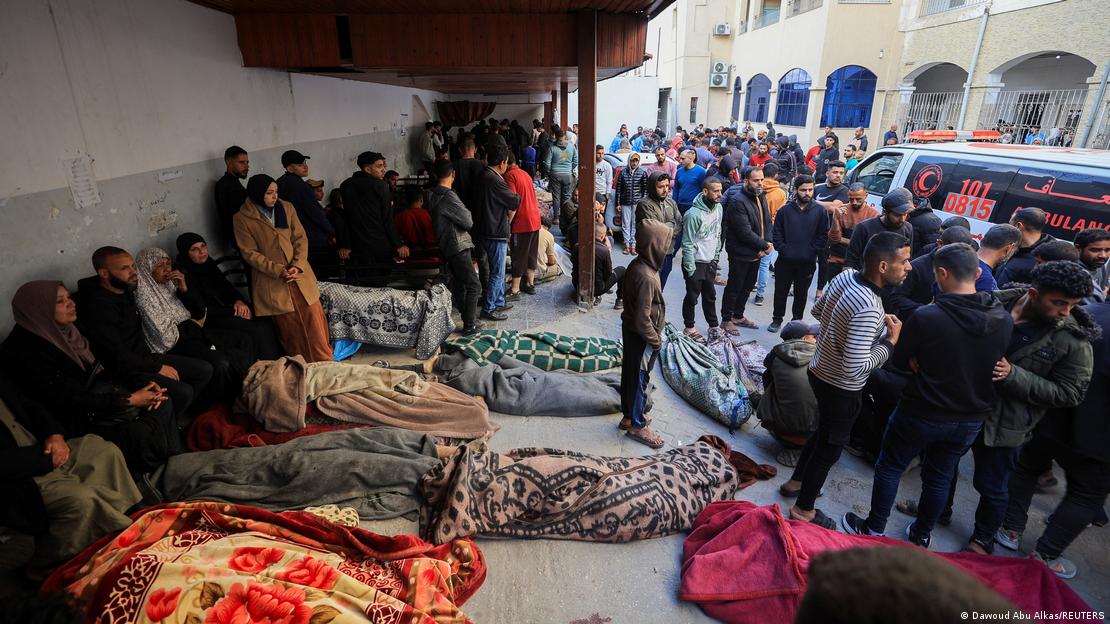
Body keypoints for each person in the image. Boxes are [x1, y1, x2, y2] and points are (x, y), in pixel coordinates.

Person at [842, 243, 1013, 547]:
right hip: (970, 418)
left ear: (942, 274)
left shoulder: (928, 317)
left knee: (891, 466)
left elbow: (900, 360)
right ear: (976, 273)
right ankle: (921, 534)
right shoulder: (1002, 318)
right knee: (940, 475)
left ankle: (874, 528)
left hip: (922, 410)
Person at [948, 261, 1096, 556]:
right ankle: (937, 509)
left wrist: (1014, 375)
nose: (1066, 312)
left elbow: (1070, 393)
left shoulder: (1073, 341)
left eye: (1073, 305)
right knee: (943, 467)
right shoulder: (996, 300)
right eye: (1059, 303)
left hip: (1007, 425)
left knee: (992, 487)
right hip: (961, 407)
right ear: (1033, 293)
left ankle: (983, 538)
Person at [781, 232, 910, 530]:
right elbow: (856, 368)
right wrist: (889, 342)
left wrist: (854, 330)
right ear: (881, 266)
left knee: (822, 432)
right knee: (829, 449)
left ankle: (796, 482)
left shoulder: (846, 277)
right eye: (903, 261)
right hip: (841, 386)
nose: (909, 267)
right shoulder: (868, 307)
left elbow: (818, 312)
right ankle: (804, 509)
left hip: (819, 370)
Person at [2, 281, 184, 475]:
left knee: (163, 401)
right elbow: (67, 400)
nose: (71, 303)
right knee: (139, 432)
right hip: (78, 418)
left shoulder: (72, 329)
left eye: (69, 298)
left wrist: (142, 386)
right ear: (39, 309)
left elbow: (110, 364)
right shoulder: (25, 351)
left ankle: (173, 461)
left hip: (107, 395)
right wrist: (130, 400)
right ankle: (158, 469)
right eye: (60, 301)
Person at [997, 299, 1109, 579]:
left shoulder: (1085, 314)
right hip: (1098, 435)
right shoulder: (1079, 314)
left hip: (1051, 415)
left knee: (1026, 468)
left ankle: (1010, 529)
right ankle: (1045, 553)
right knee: (1086, 495)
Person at [0, 371, 143, 569]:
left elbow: (30, 405)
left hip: (43, 447)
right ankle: (48, 566)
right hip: (19, 475)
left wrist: (54, 434)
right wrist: (46, 460)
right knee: (82, 499)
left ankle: (119, 524)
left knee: (104, 451)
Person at [73, 247, 212, 417]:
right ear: (104, 273)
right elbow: (117, 353)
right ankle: (167, 424)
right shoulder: (97, 306)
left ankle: (181, 417)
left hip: (144, 357)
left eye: (132, 266)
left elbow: (197, 311)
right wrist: (157, 367)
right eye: (125, 268)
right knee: (184, 391)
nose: (133, 272)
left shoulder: (126, 289)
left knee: (204, 369)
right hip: (123, 369)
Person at [133, 247, 253, 405]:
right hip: (175, 345)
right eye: (159, 265)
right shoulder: (142, 296)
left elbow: (199, 312)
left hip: (193, 332)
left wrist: (184, 288)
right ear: (147, 268)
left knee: (243, 339)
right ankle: (221, 402)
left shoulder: (170, 285)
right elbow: (165, 338)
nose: (167, 269)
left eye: (168, 263)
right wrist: (190, 323)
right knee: (220, 361)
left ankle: (247, 388)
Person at [233, 174, 333, 362]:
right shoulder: (242, 218)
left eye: (276, 192)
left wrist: (297, 265)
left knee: (315, 324)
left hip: (300, 277)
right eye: (269, 193)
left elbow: (300, 239)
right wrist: (278, 270)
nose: (274, 197)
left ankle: (326, 365)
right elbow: (249, 252)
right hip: (273, 282)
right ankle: (301, 368)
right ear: (257, 193)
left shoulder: (286, 208)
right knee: (290, 331)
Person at [174, 233, 282, 360]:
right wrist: (234, 311)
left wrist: (239, 302)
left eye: (203, 246)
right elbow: (200, 309)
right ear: (186, 253)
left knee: (265, 319)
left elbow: (226, 287)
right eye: (194, 249)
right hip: (211, 318)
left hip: (228, 309)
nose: (202, 251)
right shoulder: (183, 274)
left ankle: (279, 362)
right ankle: (269, 366)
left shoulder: (208, 264)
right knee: (255, 329)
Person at [620, 219, 670, 449]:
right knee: (640, 379)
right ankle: (638, 425)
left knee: (630, 374)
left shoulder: (638, 265)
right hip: (641, 335)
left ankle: (629, 416)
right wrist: (656, 340)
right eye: (665, 243)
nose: (668, 248)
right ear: (654, 245)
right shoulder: (648, 276)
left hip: (630, 329)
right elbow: (643, 318)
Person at [427, 160, 482, 334]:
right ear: (453, 174)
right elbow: (468, 220)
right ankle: (470, 324)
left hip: (445, 245)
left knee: (460, 285)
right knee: (474, 285)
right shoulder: (448, 196)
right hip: (457, 245)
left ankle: (467, 320)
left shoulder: (431, 194)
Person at [769, 175, 829, 333]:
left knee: (801, 295)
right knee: (780, 292)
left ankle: (797, 322)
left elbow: (823, 236)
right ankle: (777, 319)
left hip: (807, 263)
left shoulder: (820, 212)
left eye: (810, 190)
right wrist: (784, 249)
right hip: (785, 261)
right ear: (796, 190)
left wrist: (811, 252)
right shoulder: (784, 211)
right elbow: (777, 234)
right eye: (803, 190)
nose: (807, 193)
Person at [340, 151, 410, 283]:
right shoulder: (381, 186)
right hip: (379, 244)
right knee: (379, 282)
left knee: (361, 284)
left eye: (383, 165)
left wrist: (345, 243)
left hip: (356, 244)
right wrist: (398, 244)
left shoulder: (345, 185)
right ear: (367, 169)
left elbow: (346, 217)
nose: (384, 169)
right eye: (379, 166)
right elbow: (387, 219)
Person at [758, 320, 820, 467]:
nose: (816, 339)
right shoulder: (822, 357)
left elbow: (767, 368)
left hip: (781, 430)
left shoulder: (776, 354)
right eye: (813, 336)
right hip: (813, 434)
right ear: (804, 338)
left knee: (770, 376)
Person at [721, 167, 773, 334]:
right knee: (735, 286)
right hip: (741, 252)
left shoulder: (761, 196)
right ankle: (726, 319)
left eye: (761, 179)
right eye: (755, 180)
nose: (760, 183)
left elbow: (767, 221)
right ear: (746, 181)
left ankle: (738, 315)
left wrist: (768, 243)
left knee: (748, 286)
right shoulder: (738, 201)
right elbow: (744, 232)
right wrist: (764, 246)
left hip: (757, 252)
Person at [888, 226, 977, 321]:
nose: (960, 257)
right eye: (954, 251)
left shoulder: (964, 267)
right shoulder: (917, 267)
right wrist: (924, 309)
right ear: (940, 244)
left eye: (964, 252)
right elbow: (896, 297)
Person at [476, 145, 521, 321]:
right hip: (494, 231)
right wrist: (517, 194)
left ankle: (499, 301)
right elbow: (513, 200)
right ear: (502, 163)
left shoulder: (484, 175)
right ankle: (488, 308)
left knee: (497, 270)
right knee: (497, 272)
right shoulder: (494, 179)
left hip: (484, 228)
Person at [680, 177, 725, 342]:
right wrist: (690, 268)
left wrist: (716, 258)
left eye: (720, 190)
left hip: (710, 262)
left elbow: (718, 233)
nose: (720, 194)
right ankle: (689, 327)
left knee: (710, 295)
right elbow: (687, 242)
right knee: (692, 297)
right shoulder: (693, 214)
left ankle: (713, 326)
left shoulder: (719, 208)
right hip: (695, 262)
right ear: (705, 192)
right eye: (716, 191)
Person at [277, 150, 336, 271]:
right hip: (311, 238)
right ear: (290, 168)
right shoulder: (301, 186)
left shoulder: (279, 183)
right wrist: (331, 231)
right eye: (300, 165)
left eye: (305, 163)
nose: (305, 166)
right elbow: (315, 213)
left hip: (289, 239)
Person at [845, 187, 915, 271]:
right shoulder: (864, 228)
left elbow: (906, 259)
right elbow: (850, 261)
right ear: (885, 212)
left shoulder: (908, 228)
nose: (902, 219)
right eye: (897, 215)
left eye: (905, 214)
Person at [827, 182, 879, 291]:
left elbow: (868, 244)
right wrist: (836, 219)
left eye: (858, 199)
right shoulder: (842, 210)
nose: (854, 202)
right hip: (837, 261)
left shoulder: (873, 215)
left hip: (859, 265)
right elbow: (834, 239)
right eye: (851, 199)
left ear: (866, 195)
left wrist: (843, 240)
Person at [636, 171, 683, 288]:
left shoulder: (671, 202)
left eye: (667, 186)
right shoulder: (645, 204)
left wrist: (665, 227)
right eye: (661, 187)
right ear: (652, 187)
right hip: (651, 255)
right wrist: (671, 226)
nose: (665, 190)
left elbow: (680, 223)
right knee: (649, 289)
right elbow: (655, 231)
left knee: (660, 288)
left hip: (668, 253)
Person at [504, 156, 541, 299]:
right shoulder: (525, 173)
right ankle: (530, 284)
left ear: (506, 162)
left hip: (522, 221)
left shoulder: (510, 176)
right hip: (534, 219)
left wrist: (507, 223)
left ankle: (515, 289)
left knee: (518, 255)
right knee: (531, 253)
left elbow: (513, 202)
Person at [753, 162, 788, 306]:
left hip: (755, 227)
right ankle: (760, 295)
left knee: (752, 259)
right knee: (765, 264)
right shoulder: (780, 193)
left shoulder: (756, 189)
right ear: (776, 175)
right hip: (771, 229)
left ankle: (750, 285)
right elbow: (782, 215)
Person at [813, 162, 851, 296]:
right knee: (808, 259)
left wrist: (812, 202)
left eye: (841, 173)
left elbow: (833, 208)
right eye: (835, 172)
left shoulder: (843, 190)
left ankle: (819, 291)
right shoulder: (818, 188)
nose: (838, 176)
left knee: (824, 262)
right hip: (812, 229)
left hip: (827, 231)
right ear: (827, 173)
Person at [996, 207, 1053, 286]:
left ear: (1018, 226)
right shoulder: (1009, 245)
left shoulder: (1047, 258)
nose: (1008, 229)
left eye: (1010, 224)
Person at [214, 145, 249, 246]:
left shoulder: (233, 183)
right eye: (241, 162)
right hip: (243, 240)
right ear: (228, 162)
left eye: (247, 162)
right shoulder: (226, 186)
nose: (246, 167)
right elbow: (237, 216)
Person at [616, 152, 648, 255]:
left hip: (637, 203)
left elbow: (645, 190)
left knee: (635, 224)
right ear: (629, 161)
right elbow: (618, 189)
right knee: (626, 224)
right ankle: (627, 245)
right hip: (625, 202)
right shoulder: (623, 172)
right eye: (632, 160)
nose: (634, 163)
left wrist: (642, 203)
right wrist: (618, 203)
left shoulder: (642, 173)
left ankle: (633, 246)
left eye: (636, 160)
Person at [976, 223, 1022, 290]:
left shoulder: (959, 257)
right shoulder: (986, 281)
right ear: (1009, 249)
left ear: (982, 240)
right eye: (1015, 250)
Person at [545, 130, 578, 216]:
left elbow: (547, 163)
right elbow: (575, 161)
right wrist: (570, 169)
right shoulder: (571, 147)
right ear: (565, 137)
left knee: (556, 197)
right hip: (567, 175)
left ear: (555, 136)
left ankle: (556, 217)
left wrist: (550, 171)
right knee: (567, 196)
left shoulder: (552, 148)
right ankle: (567, 215)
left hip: (555, 174)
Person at [1073, 227, 1110, 303]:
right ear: (1078, 248)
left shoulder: (1098, 264)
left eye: (1107, 250)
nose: (1103, 255)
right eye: (1095, 250)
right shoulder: (1074, 275)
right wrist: (1104, 297)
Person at [673, 149, 707, 214]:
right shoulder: (679, 171)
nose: (680, 161)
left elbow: (703, 190)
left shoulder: (701, 171)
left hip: (694, 206)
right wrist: (674, 203)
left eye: (683, 159)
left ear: (691, 158)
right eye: (680, 158)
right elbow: (676, 189)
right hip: (680, 205)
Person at [535, 214, 563, 283]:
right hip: (536, 271)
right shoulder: (548, 235)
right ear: (546, 227)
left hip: (520, 269)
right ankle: (538, 279)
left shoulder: (525, 230)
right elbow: (551, 261)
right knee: (558, 268)